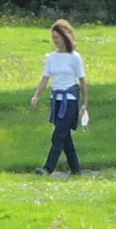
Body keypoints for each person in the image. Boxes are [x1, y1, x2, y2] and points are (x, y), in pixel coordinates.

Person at [33, 19, 88, 176]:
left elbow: (82, 81)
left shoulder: (75, 57)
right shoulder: (51, 57)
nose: (55, 41)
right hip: (56, 101)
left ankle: (48, 168)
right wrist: (36, 95)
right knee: (65, 137)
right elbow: (45, 79)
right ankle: (76, 169)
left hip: (69, 102)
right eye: (53, 38)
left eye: (57, 37)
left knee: (58, 136)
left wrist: (84, 103)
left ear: (65, 37)